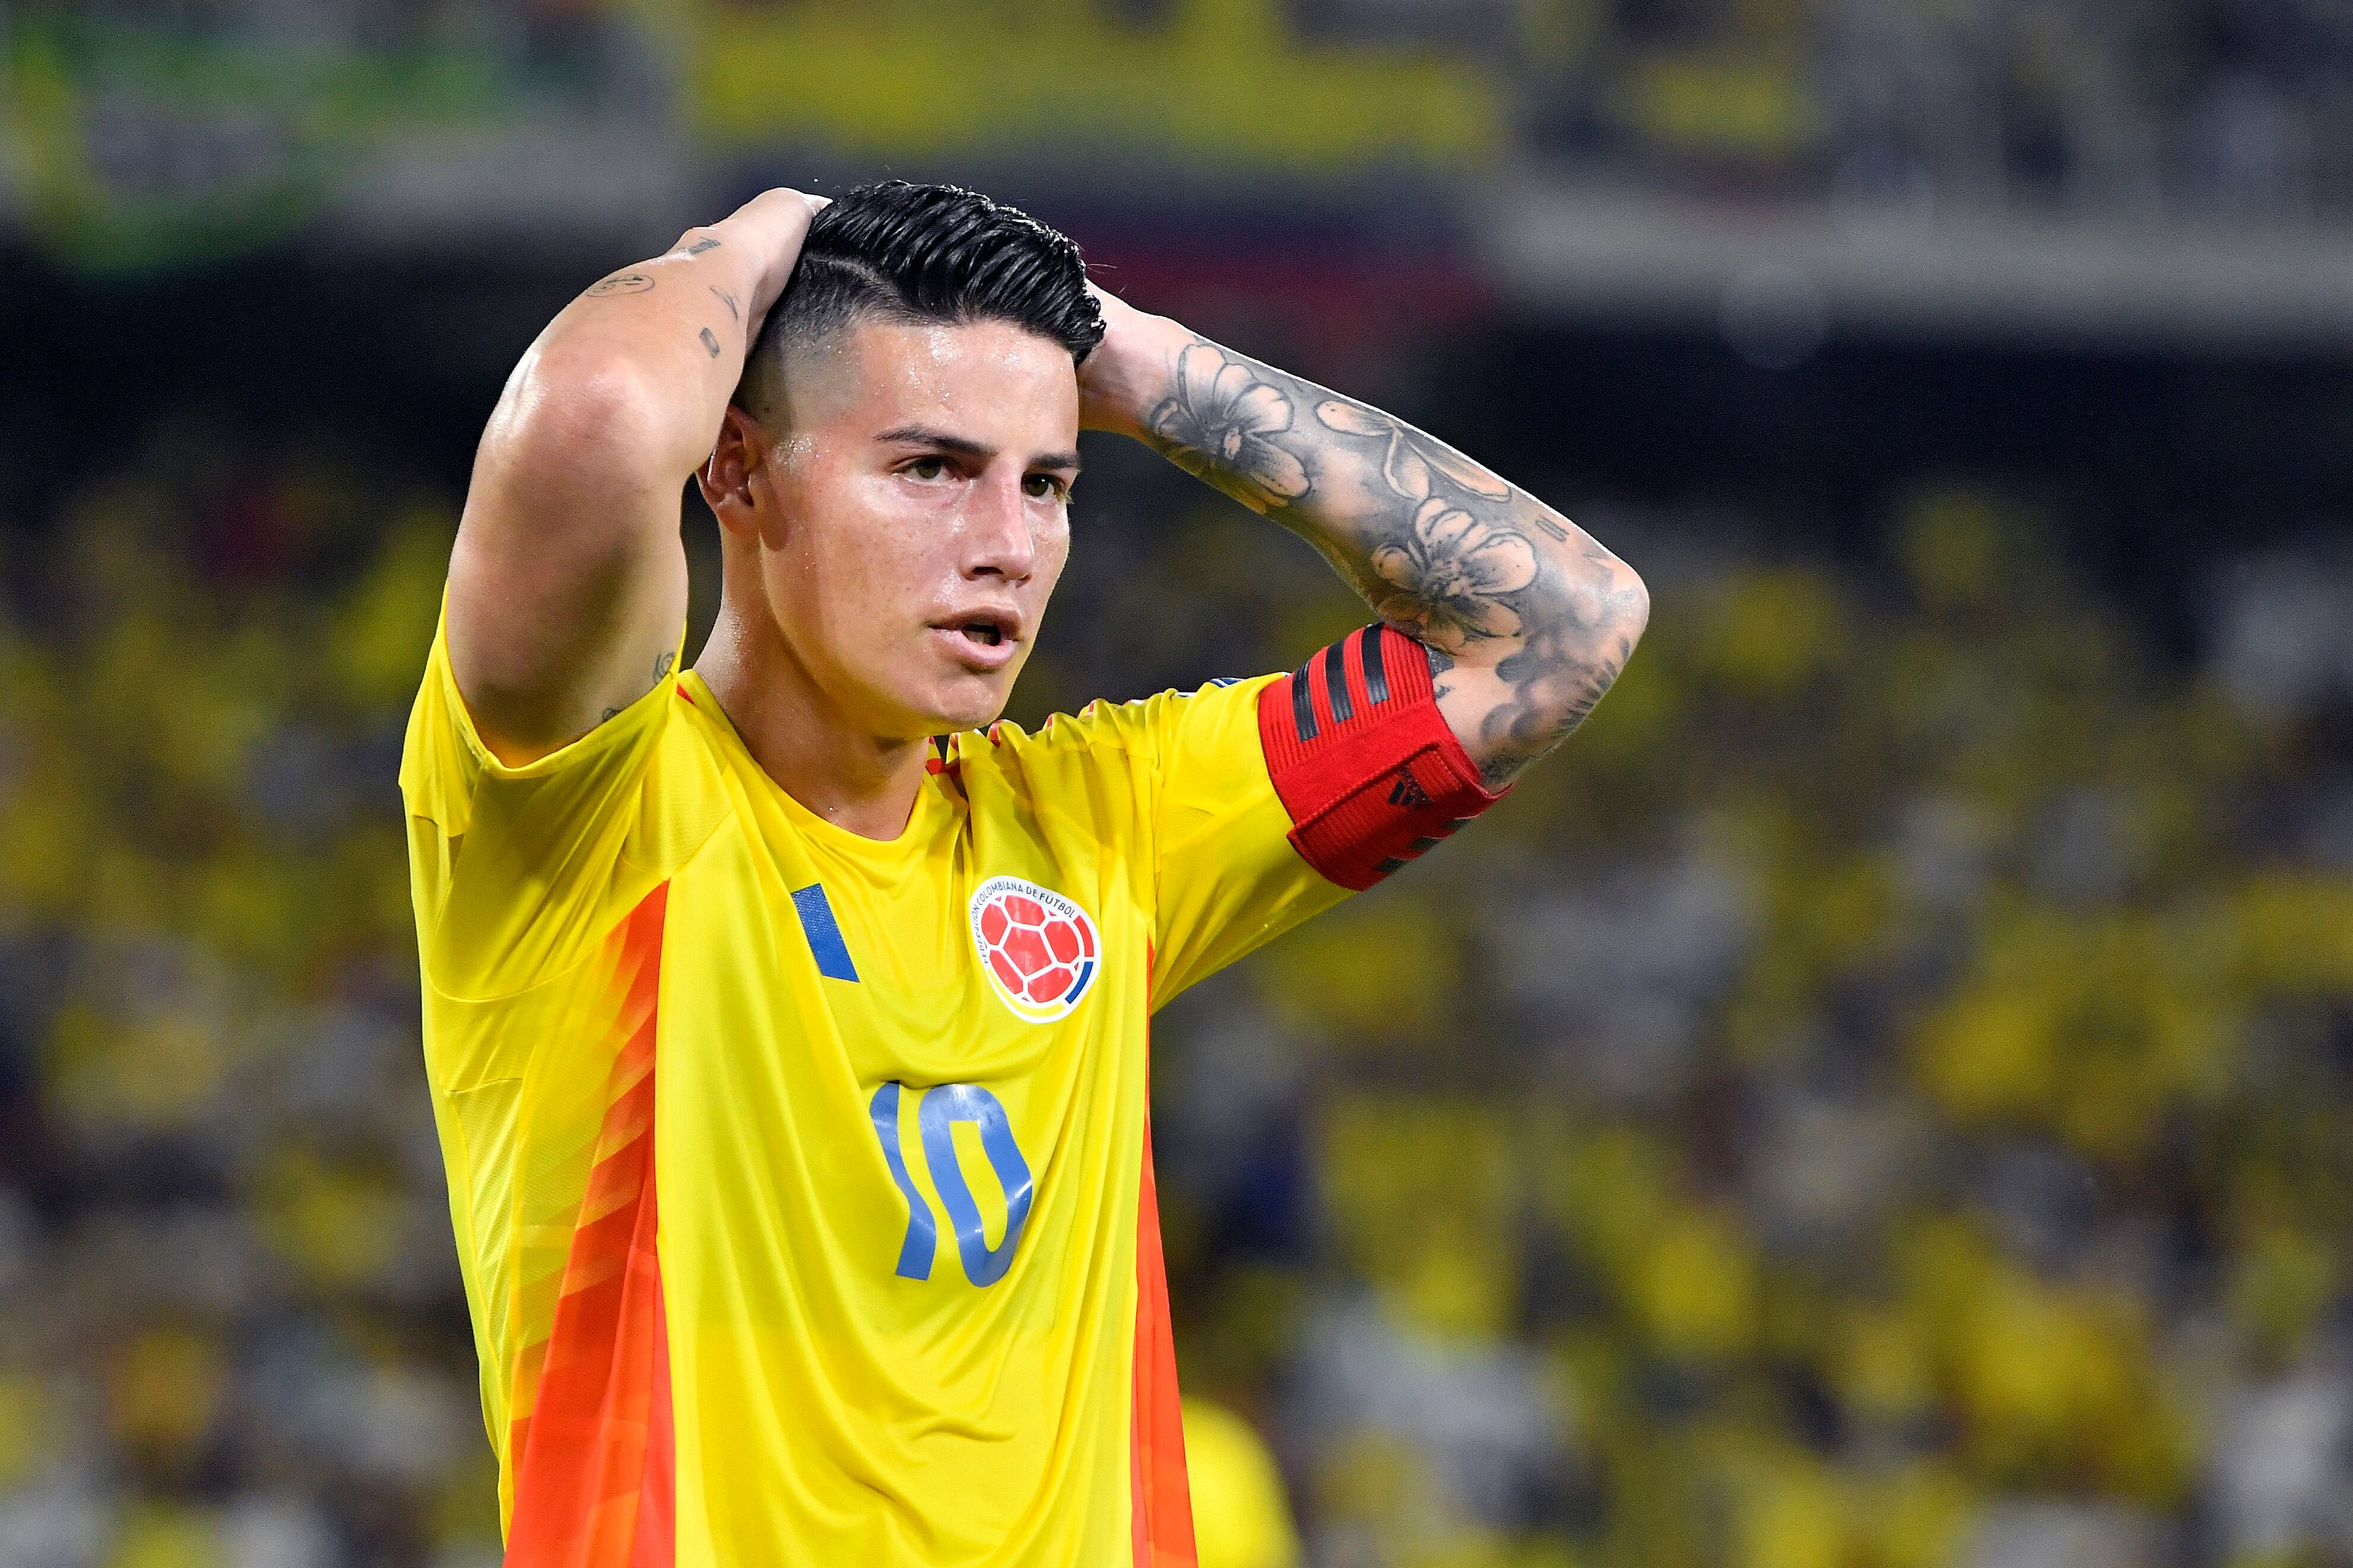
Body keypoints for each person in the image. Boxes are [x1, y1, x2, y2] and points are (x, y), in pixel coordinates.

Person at [399, 180, 1647, 1567]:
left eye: (1046, 482)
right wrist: (748, 243)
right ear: (739, 469)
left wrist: (1134, 359)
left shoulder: (1102, 825)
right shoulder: (588, 813)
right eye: (930, 469)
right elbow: (595, 420)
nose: (1004, 544)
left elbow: (1563, 619)